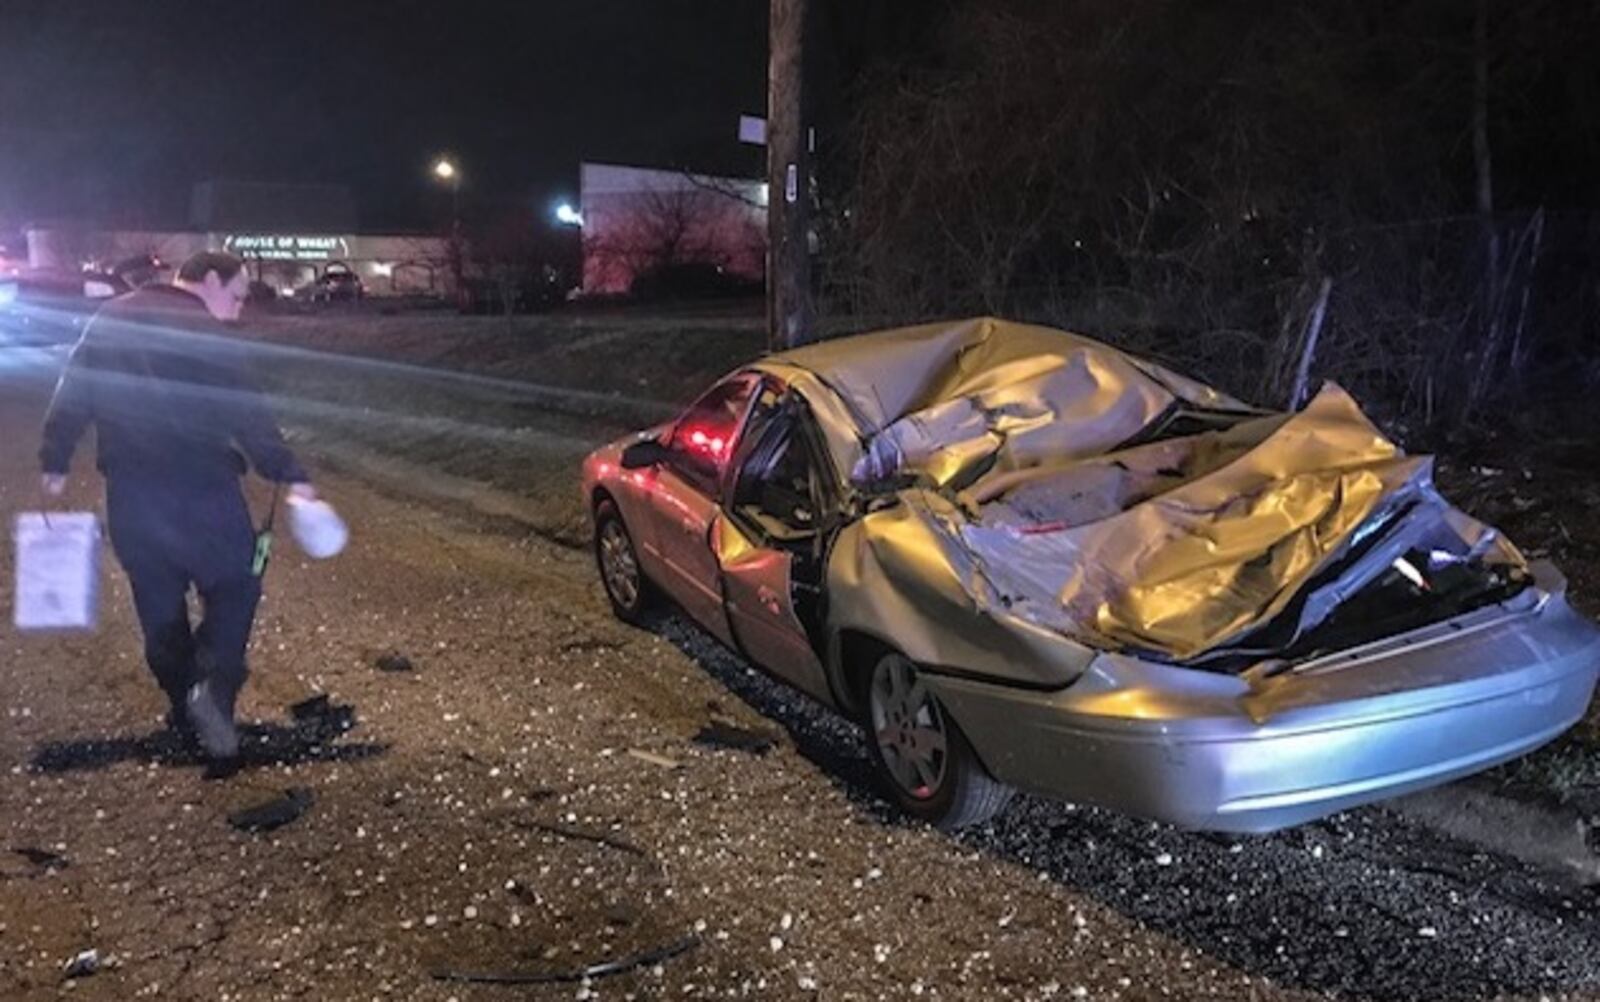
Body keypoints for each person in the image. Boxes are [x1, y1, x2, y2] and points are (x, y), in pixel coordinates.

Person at [38, 251, 313, 762]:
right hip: (204, 492)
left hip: (133, 497)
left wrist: (55, 458)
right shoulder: (208, 332)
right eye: (235, 295)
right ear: (209, 279)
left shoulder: (109, 318)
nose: (237, 307)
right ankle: (210, 692)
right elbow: (247, 411)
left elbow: (73, 390)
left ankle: (186, 707)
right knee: (235, 589)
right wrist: (288, 472)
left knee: (159, 608)